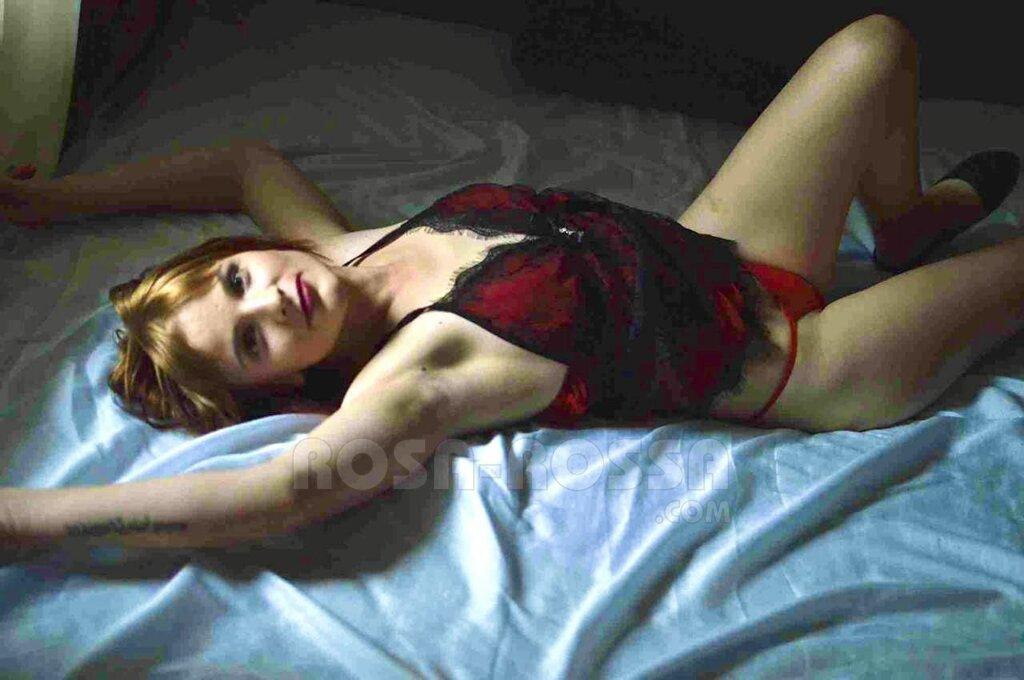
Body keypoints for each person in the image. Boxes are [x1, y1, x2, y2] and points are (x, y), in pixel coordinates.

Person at [0, 14, 1020, 553]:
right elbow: (277, 492)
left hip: (727, 247)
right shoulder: (415, 371)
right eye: (251, 341)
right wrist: (24, 519)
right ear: (281, 384)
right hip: (804, 361)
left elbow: (241, 164)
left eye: (235, 278)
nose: (269, 298)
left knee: (875, 45)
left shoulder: (338, 251)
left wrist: (52, 202)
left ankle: (902, 223)